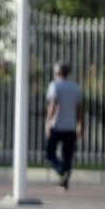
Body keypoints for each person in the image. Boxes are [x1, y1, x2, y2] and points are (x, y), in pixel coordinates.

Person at [45, 61, 84, 190]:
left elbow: (53, 104)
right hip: (70, 127)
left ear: (57, 73)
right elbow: (79, 108)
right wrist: (80, 124)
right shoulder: (75, 87)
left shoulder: (55, 85)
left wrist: (48, 122)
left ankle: (62, 170)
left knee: (50, 153)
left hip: (56, 125)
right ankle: (64, 179)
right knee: (67, 155)